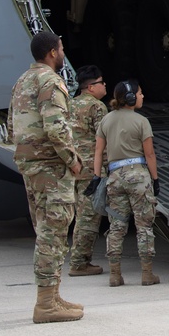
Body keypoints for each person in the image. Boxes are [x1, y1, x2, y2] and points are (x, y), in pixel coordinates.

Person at [7, 30, 84, 323]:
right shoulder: (51, 82)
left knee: (46, 231)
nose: (63, 51)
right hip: (51, 168)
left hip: (32, 166)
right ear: (52, 52)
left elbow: (12, 127)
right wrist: (73, 160)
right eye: (61, 47)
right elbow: (56, 128)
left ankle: (52, 296)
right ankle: (45, 304)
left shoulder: (21, 82)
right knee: (53, 235)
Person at [89, 79, 160, 287]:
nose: (142, 96)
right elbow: (150, 154)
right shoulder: (141, 121)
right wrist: (155, 179)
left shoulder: (106, 120)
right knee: (144, 225)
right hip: (138, 177)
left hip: (115, 177)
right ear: (130, 98)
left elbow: (98, 151)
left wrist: (97, 177)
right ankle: (147, 274)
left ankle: (115, 275)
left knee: (117, 226)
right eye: (139, 93)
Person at [67, 65, 108, 277]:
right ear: (91, 87)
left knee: (75, 214)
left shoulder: (69, 104)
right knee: (88, 217)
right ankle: (79, 262)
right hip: (91, 169)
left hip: (72, 166)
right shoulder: (97, 107)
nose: (105, 85)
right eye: (102, 82)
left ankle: (78, 259)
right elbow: (104, 141)